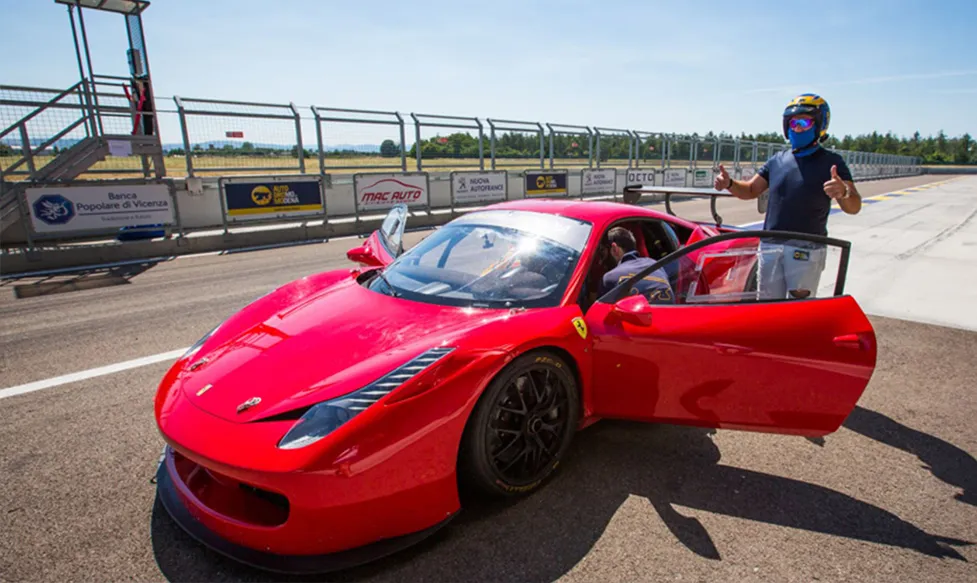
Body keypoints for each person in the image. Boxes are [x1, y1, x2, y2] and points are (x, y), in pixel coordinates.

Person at [714, 93, 862, 299]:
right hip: (771, 245)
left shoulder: (831, 162)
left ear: (819, 125)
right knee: (767, 304)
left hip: (806, 248)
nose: (798, 128)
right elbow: (750, 190)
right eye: (793, 123)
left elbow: (854, 207)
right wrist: (729, 184)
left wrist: (844, 192)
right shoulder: (777, 160)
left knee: (799, 307)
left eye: (804, 122)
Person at [599, 227, 674, 303]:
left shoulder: (610, 278)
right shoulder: (655, 265)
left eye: (602, 251)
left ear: (615, 249)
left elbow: (599, 311)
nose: (600, 259)